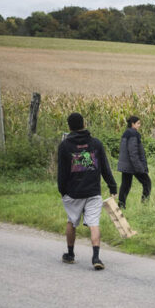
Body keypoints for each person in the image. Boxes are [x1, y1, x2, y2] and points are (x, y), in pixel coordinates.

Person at [57, 112, 118, 270]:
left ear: (69, 127)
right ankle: (96, 257)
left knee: (72, 221)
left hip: (73, 192)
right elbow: (104, 167)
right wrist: (112, 186)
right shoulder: (95, 144)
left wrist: (62, 191)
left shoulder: (64, 146)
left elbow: (62, 172)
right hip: (93, 191)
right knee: (94, 224)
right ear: (84, 124)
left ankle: (70, 254)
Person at [117, 115, 151, 209]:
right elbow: (133, 153)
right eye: (138, 123)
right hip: (133, 165)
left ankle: (121, 206)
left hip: (127, 165)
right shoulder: (133, 134)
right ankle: (144, 205)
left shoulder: (126, 133)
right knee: (147, 182)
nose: (139, 125)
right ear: (133, 124)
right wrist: (140, 168)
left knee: (125, 185)